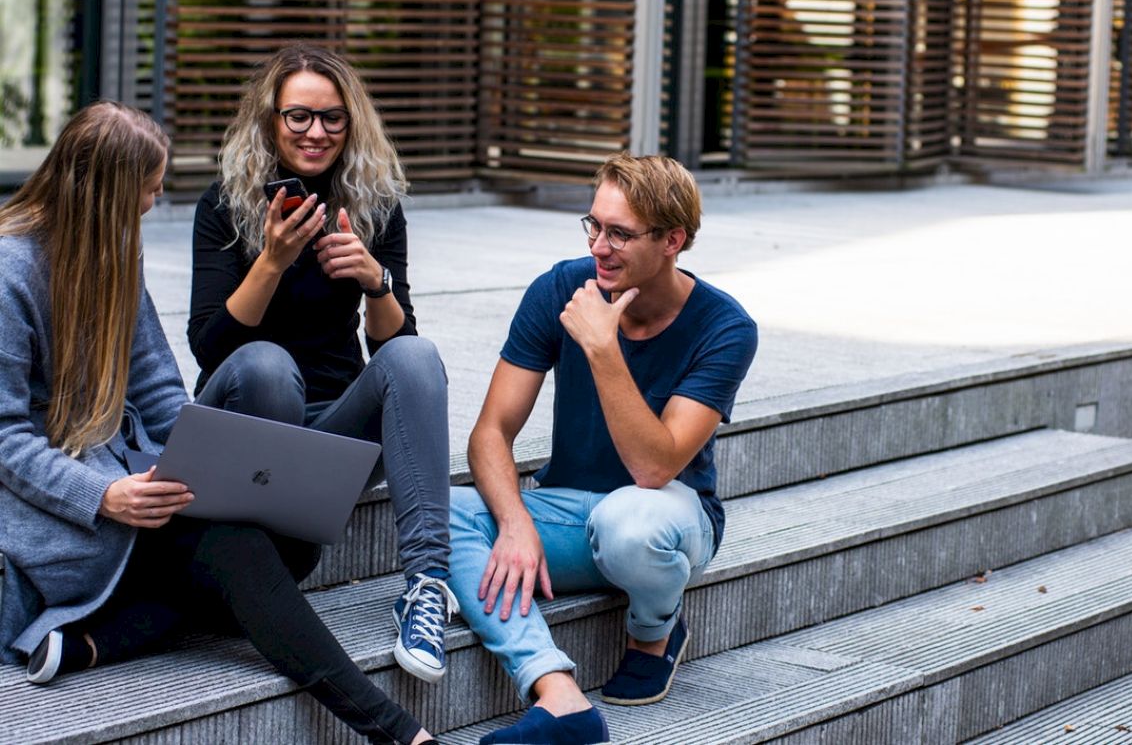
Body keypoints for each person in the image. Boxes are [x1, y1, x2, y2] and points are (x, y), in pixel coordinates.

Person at [0, 101, 439, 744]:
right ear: (106, 192)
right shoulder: (11, 271)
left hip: (134, 481)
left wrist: (197, 462)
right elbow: (6, 435)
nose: (152, 205)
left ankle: (98, 640)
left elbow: (155, 386)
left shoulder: (116, 250)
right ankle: (398, 731)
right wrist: (104, 495)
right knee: (239, 552)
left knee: (285, 550)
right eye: (147, 192)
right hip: (69, 509)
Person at [448, 154, 758, 744]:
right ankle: (556, 693)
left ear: (673, 240)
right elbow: (490, 431)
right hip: (566, 509)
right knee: (441, 512)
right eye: (593, 225)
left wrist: (603, 347)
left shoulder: (726, 327)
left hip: (666, 515)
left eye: (619, 233)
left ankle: (654, 629)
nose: (599, 246)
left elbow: (655, 466)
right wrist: (514, 522)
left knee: (629, 521)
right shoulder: (560, 287)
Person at [187, 43, 455, 683]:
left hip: (332, 434)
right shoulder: (224, 205)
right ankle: (263, 561)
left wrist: (375, 281)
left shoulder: (375, 204)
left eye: (332, 118)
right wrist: (272, 261)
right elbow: (210, 347)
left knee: (418, 356)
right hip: (247, 420)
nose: (316, 132)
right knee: (268, 366)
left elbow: (396, 354)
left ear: (352, 122)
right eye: (298, 116)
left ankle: (426, 588)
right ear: (270, 120)